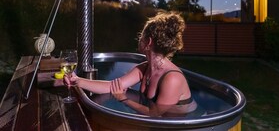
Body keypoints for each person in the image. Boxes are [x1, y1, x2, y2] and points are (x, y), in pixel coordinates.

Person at [64, 11, 197, 116]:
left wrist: (124, 99)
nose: (139, 39)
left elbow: (155, 114)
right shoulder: (144, 68)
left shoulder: (172, 78)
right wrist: (77, 80)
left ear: (148, 42)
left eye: (141, 36)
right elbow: (113, 86)